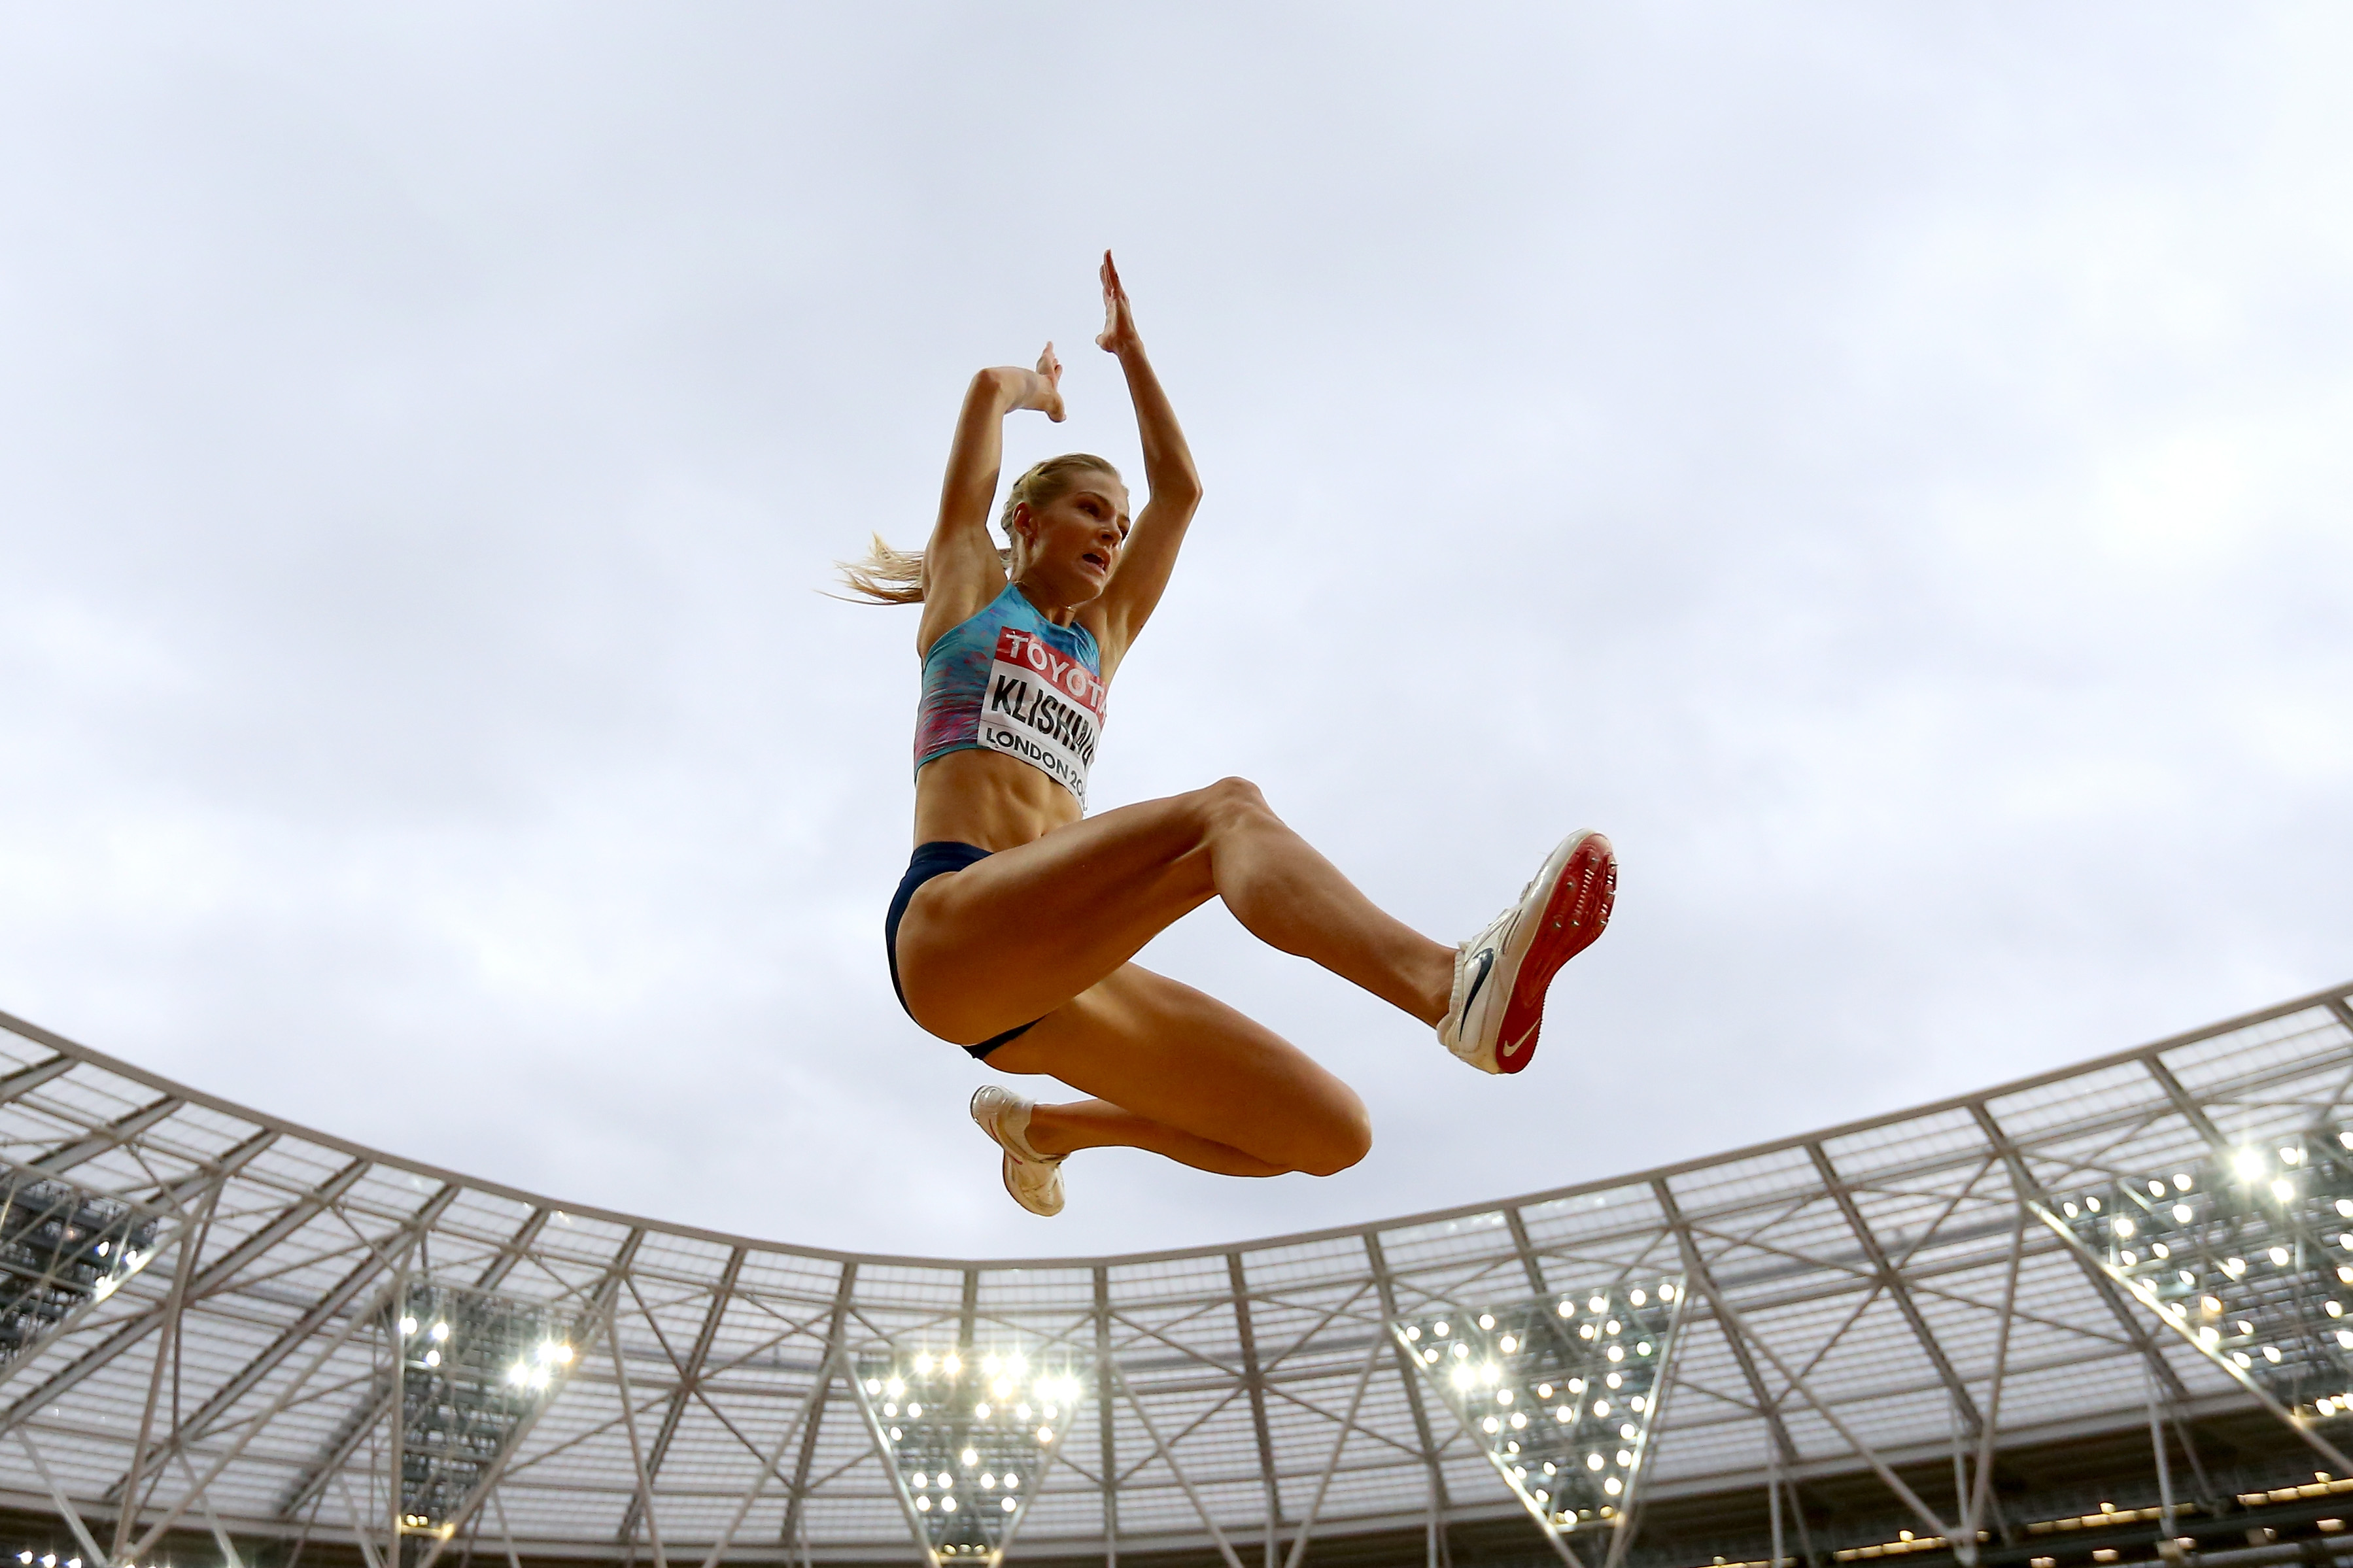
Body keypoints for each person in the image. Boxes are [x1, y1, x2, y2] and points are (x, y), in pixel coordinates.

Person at [838, 254, 1615, 1216]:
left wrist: (1133, 354)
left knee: (1331, 1133)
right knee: (1225, 814)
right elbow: (986, 391)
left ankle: (1050, 1130)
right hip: (955, 922)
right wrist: (1041, 392)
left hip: (1055, 974)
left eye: (1118, 528)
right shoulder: (966, 592)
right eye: (1091, 512)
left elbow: (1181, 492)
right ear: (1027, 522)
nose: (1112, 537)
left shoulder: (1098, 640)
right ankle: (1446, 985)